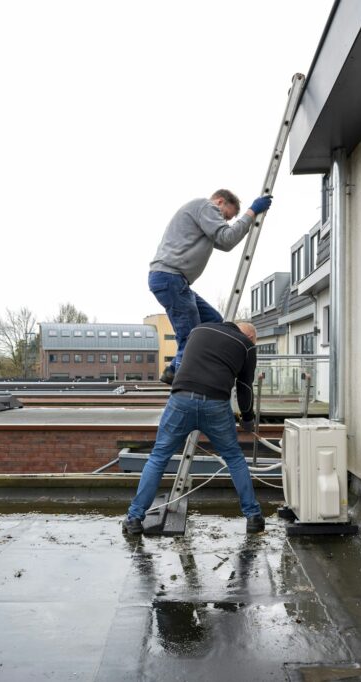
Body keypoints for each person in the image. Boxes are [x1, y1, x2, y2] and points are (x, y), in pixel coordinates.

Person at [124, 320, 263, 534]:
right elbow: (244, 387)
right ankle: (253, 517)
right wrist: (247, 418)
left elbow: (183, 361)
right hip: (216, 403)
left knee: (159, 457)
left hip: (181, 398)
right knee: (234, 458)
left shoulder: (199, 330)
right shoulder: (247, 346)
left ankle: (134, 519)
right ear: (251, 337)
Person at [149, 190, 272, 384]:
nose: (223, 221)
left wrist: (247, 221)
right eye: (225, 216)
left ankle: (173, 370)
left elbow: (226, 241)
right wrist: (251, 212)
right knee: (191, 337)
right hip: (171, 277)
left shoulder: (200, 218)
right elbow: (227, 237)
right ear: (220, 202)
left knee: (216, 322)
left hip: (174, 280)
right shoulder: (207, 207)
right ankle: (184, 386)